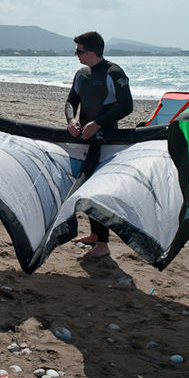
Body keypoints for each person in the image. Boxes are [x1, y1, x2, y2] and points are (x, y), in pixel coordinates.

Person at [65, 31, 133, 259]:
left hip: (108, 140)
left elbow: (127, 106)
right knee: (86, 185)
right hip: (84, 138)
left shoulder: (113, 72)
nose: (76, 54)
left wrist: (99, 123)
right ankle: (95, 235)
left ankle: (103, 245)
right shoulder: (81, 74)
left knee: (99, 189)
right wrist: (71, 120)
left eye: (80, 51)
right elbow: (70, 101)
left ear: (93, 52)